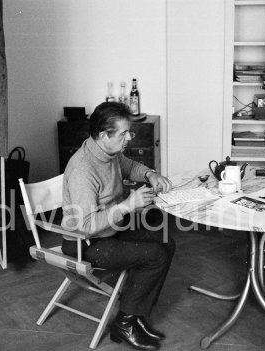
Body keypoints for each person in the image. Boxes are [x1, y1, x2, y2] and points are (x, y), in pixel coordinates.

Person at [61, 101, 175, 351]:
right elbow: (86, 225)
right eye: (124, 134)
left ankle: (136, 316)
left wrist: (150, 175)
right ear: (104, 135)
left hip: (109, 230)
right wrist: (128, 205)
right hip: (85, 242)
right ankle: (124, 323)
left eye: (129, 132)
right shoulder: (83, 169)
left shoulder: (108, 153)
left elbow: (130, 166)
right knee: (154, 256)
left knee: (166, 242)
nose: (129, 139)